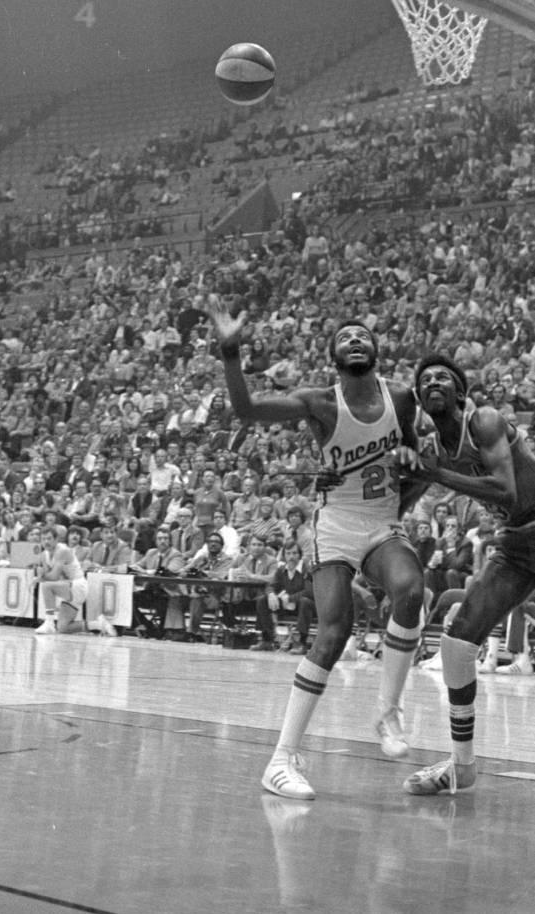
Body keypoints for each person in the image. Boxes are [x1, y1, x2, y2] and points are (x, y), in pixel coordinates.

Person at [207, 297, 424, 801]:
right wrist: (231, 351)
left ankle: (388, 712)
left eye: (363, 335)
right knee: (332, 633)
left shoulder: (401, 398)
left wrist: (406, 477)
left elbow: (414, 461)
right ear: (334, 356)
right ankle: (281, 759)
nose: (355, 339)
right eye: (345, 336)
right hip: (336, 523)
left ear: (377, 352)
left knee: (411, 589)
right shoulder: (320, 402)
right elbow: (247, 410)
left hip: (382, 520)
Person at [396, 353, 535, 796]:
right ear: (420, 399)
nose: (433, 382)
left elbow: (506, 492)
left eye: (443, 377)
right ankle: (462, 765)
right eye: (425, 380)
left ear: (460, 393)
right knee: (456, 645)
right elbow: (398, 504)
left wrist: (435, 473)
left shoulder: (485, 421)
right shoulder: (432, 450)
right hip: (517, 545)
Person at [32, 523, 92, 635]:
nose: (46, 542)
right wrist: (40, 574)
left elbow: (53, 577)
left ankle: (49, 623)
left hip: (78, 585)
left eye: (49, 538)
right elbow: (47, 576)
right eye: (43, 539)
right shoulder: (44, 555)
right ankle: (98, 624)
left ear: (56, 539)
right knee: (63, 627)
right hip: (68, 587)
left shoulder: (62, 551)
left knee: (46, 586)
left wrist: (40, 577)